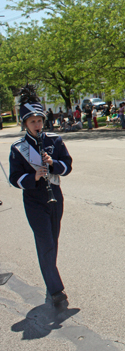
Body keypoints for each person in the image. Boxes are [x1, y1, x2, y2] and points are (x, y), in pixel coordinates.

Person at [9, 84, 72, 305]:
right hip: (34, 201)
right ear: (25, 123)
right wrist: (33, 177)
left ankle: (49, 275)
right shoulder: (18, 148)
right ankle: (55, 289)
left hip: (55, 196)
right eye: (32, 121)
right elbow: (14, 178)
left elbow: (68, 166)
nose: (37, 125)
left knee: (52, 241)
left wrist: (52, 163)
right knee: (44, 241)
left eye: (39, 121)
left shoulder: (54, 140)